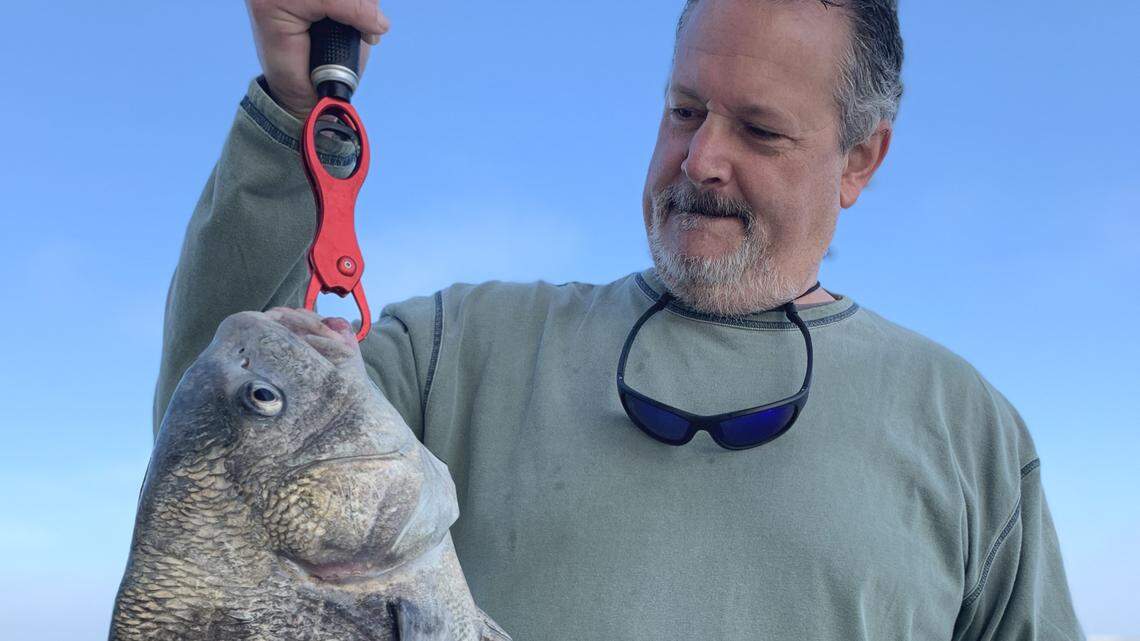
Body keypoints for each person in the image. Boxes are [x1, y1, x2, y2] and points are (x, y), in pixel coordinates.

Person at [154, 0, 1087, 638]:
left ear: (861, 160)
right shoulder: (461, 350)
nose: (703, 157)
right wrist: (290, 104)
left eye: (760, 130)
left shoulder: (971, 430)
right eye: (685, 110)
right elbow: (218, 432)